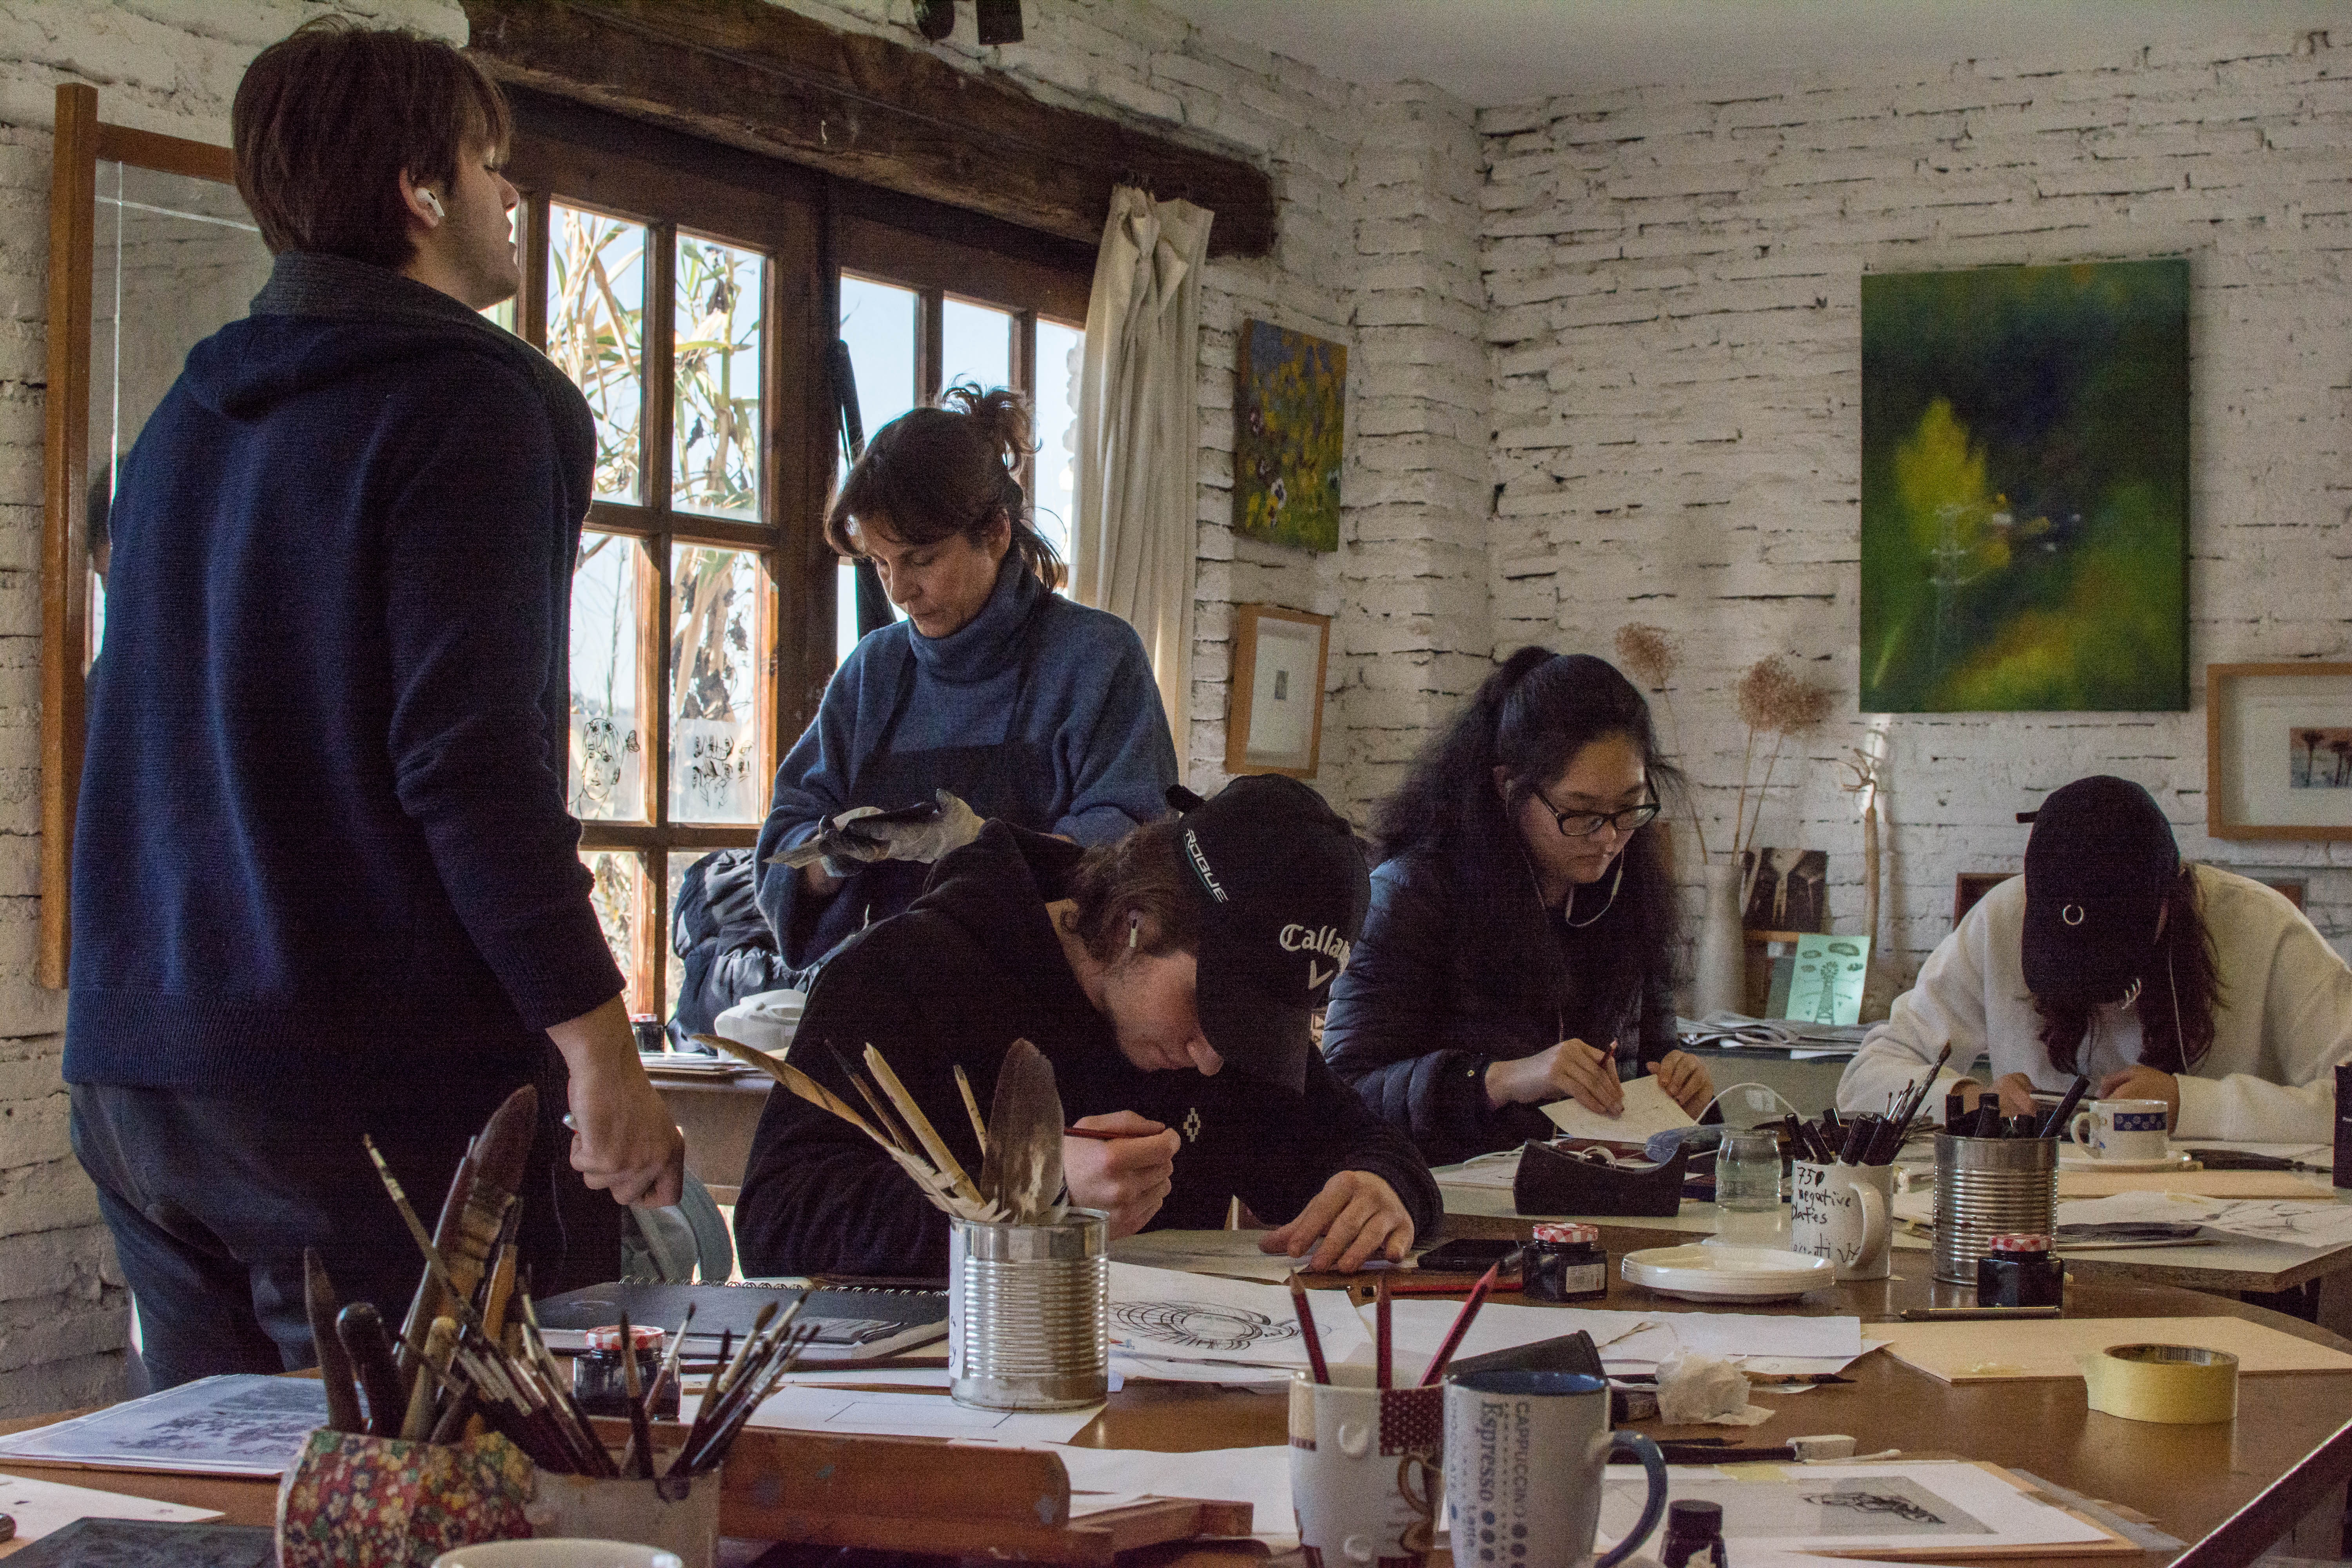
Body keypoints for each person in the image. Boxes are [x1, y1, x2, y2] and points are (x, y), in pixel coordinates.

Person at [64, 20, 683, 1391]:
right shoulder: (479, 402)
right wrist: (601, 1051)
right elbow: (470, 765)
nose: (508, 193)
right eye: (487, 162)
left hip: (138, 1076)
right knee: (438, 1493)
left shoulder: (181, 424)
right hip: (360, 1087)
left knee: (215, 1497)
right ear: (420, 189)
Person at [733, 775, 1441, 1277]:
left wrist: (1385, 1191)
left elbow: (1368, 1145)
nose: (1211, 1059)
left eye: (1257, 1029)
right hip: (939, 1405)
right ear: (1137, 922)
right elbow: (777, 1224)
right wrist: (1025, 1197)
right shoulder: (908, 970)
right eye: (1213, 1012)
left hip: (1153, 1406)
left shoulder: (1219, 1046)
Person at [753, 387, 1177, 974]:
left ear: (997, 533)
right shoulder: (872, 672)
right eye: (880, 563)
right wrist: (832, 857)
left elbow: (1134, 846)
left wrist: (985, 848)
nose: (900, 591)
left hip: (1037, 998)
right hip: (885, 994)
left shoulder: (1097, 659)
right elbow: (785, 837)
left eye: (920, 559)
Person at [1323, 648, 1715, 1168]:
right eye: (1580, 813)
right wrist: (1501, 1078)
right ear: (1508, 788)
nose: (1609, 837)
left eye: (1629, 807)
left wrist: (1683, 1090)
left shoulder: (1630, 891)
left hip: (1588, 1193)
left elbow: (1649, 1067)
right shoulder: (1413, 895)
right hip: (1438, 1196)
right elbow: (1345, 1091)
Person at [1837, 775, 2352, 1142]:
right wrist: (1969, 1099)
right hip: (2037, 1219)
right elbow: (1866, 1077)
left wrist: (2190, 1106)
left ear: (2168, 902)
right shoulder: (2000, 920)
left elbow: (2345, 1103)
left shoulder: (2266, 928)